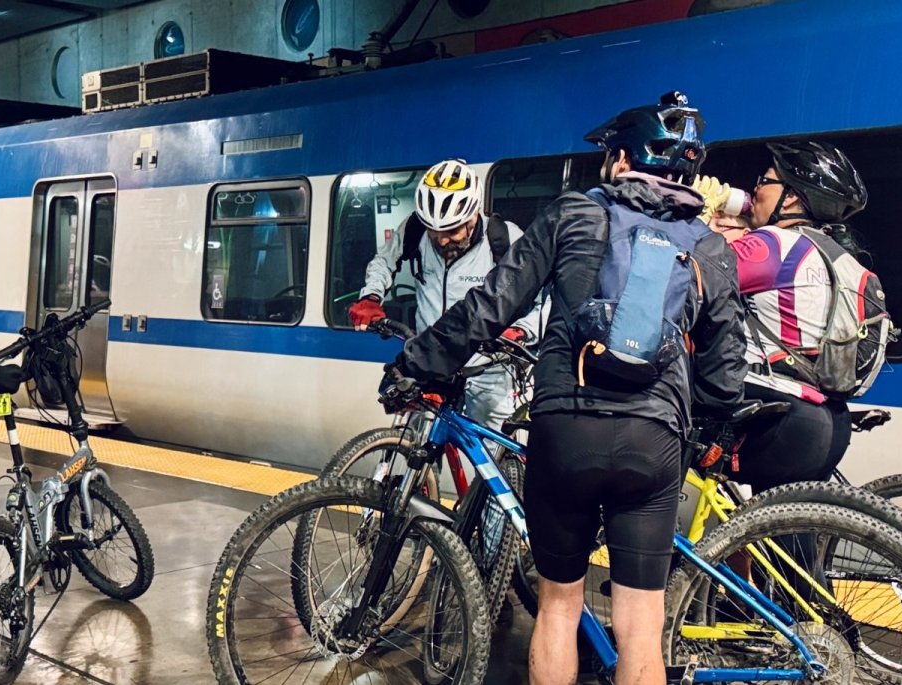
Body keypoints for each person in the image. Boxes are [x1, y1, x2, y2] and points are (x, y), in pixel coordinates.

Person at [385, 93, 746, 685]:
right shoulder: (707, 246)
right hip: (653, 442)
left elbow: (490, 306)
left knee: (559, 606)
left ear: (623, 160)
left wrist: (415, 362)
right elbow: (723, 366)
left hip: (566, 430)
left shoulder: (574, 214)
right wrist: (702, 430)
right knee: (639, 624)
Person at [694, 141, 870, 492]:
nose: (756, 189)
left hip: (778, 418)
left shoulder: (769, 244)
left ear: (790, 197)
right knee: (785, 543)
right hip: (828, 421)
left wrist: (694, 216)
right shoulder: (833, 254)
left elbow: (691, 279)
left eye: (766, 180)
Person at [347, 159, 546, 430]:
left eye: (451, 231)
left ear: (473, 214)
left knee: (490, 448)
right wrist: (370, 297)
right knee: (416, 440)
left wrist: (520, 332)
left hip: (488, 368)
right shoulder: (414, 230)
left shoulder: (505, 240)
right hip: (431, 358)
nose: (441, 240)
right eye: (434, 230)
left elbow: (544, 301)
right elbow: (384, 261)